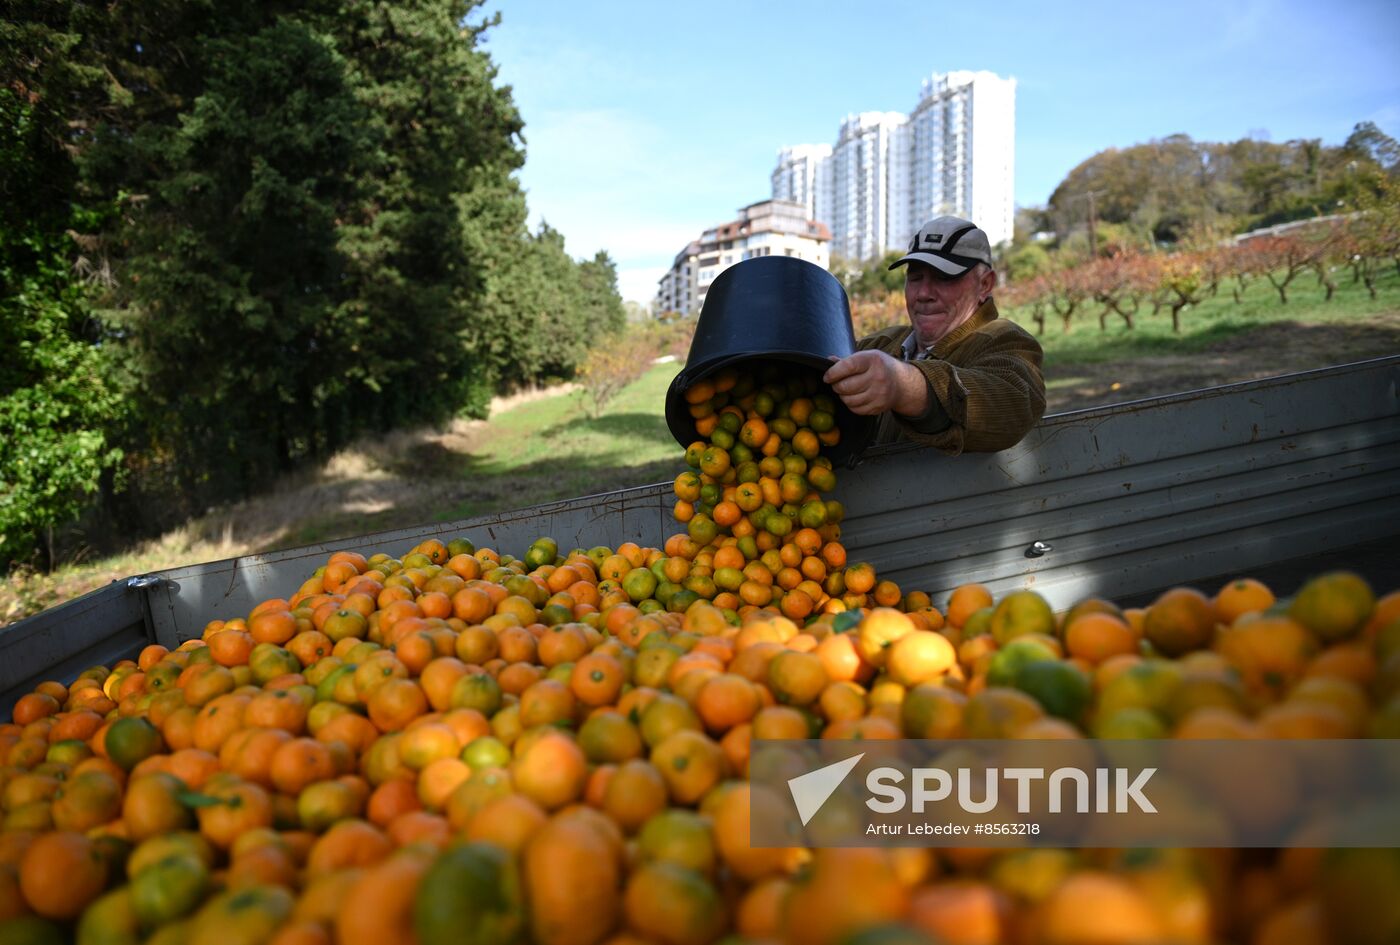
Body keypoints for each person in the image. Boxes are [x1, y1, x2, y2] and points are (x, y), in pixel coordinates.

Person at [823, 215, 1046, 455]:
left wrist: (906, 387)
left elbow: (1013, 402)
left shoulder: (1006, 342)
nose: (924, 293)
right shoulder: (881, 344)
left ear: (985, 285)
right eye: (915, 277)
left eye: (944, 278)